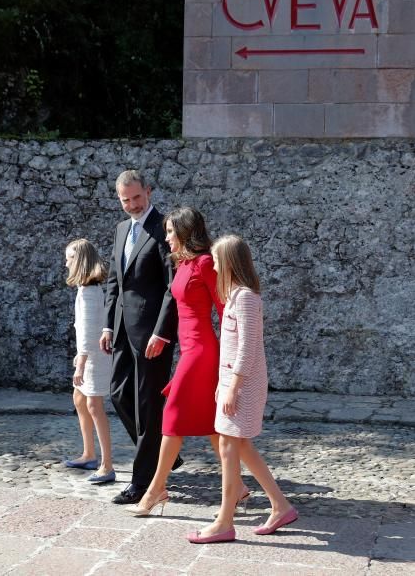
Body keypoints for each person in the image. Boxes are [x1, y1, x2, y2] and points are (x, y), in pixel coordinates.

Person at [125, 207, 249, 517]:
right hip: (190, 350)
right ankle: (239, 488)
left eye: (170, 232)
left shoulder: (206, 263)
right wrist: (162, 335)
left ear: (185, 233)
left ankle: (155, 489)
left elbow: (225, 310)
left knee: (171, 417)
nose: (165, 238)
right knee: (212, 426)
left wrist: (231, 360)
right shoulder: (184, 263)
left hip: (203, 353)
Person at [187, 235, 298, 544]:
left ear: (231, 262)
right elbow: (232, 349)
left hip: (245, 384)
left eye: (218, 259)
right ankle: (281, 506)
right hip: (234, 382)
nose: (215, 264)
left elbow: (248, 349)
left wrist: (232, 387)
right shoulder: (235, 296)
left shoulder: (247, 297)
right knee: (239, 445)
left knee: (229, 445)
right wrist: (222, 386)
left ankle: (224, 521)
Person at [99, 170, 179, 505]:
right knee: (119, 395)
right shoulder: (120, 230)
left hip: (152, 335)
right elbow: (115, 282)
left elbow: (172, 287)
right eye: (125, 200)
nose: (132, 205)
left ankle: (143, 481)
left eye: (137, 197)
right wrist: (106, 325)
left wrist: (162, 332)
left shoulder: (165, 229)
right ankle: (165, 455)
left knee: (148, 406)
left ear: (148, 191)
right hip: (120, 331)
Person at [64, 238, 115, 484]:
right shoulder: (86, 290)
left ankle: (106, 465)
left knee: (95, 406)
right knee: (79, 399)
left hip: (94, 357)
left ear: (80, 261)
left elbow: (89, 330)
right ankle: (89, 453)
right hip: (87, 354)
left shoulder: (90, 293)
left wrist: (81, 363)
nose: (66, 263)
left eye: (70, 258)